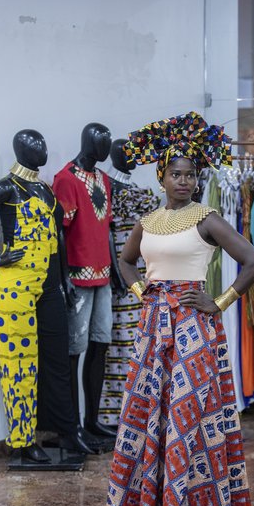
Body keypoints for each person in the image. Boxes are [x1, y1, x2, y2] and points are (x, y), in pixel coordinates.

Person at [104, 112, 254, 506]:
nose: (184, 181)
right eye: (176, 174)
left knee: (190, 412)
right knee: (148, 410)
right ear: (161, 177)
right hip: (153, 325)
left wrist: (219, 301)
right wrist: (141, 291)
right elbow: (125, 261)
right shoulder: (147, 222)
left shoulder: (207, 218)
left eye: (190, 175)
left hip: (193, 325)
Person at [0, 129, 98, 463]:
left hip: (49, 284)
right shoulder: (7, 187)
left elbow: (58, 237)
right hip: (15, 286)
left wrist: (64, 280)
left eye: (43, 144)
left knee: (58, 359)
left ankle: (67, 430)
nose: (43, 150)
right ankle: (23, 440)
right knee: (19, 365)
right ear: (21, 150)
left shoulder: (45, 189)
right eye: (35, 145)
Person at [53, 123, 126, 443]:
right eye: (103, 142)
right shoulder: (66, 179)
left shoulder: (102, 179)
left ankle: (92, 420)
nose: (107, 148)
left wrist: (116, 271)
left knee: (100, 345)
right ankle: (72, 428)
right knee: (75, 351)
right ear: (89, 143)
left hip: (103, 275)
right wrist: (64, 277)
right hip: (78, 276)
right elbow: (59, 231)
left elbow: (107, 227)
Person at [98, 139, 160, 427]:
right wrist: (117, 272)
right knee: (121, 345)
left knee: (141, 341)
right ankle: (117, 415)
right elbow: (107, 235)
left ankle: (141, 410)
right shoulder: (108, 188)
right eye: (129, 154)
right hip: (122, 272)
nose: (135, 158)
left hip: (143, 270)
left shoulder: (130, 186)